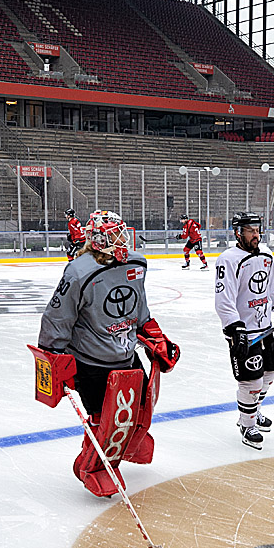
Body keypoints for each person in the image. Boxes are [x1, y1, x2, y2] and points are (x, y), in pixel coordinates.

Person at [35, 210, 180, 496]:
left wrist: (155, 337)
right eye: (114, 235)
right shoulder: (79, 271)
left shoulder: (136, 264)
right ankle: (92, 464)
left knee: (138, 411)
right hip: (91, 362)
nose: (122, 239)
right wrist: (52, 355)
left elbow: (139, 312)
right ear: (99, 240)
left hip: (126, 355)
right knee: (104, 420)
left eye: (121, 232)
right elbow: (57, 317)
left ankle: (126, 446)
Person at [214, 212, 274, 450]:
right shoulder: (228, 259)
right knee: (250, 381)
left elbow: (270, 290)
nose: (256, 234)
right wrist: (235, 328)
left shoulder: (266, 254)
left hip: (265, 327)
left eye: (257, 229)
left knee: (270, 374)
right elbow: (223, 300)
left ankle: (253, 412)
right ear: (237, 232)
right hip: (243, 332)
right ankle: (247, 424)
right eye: (250, 230)